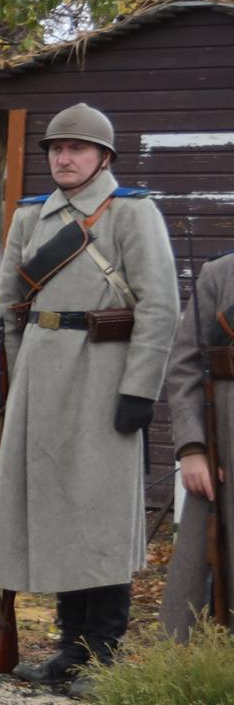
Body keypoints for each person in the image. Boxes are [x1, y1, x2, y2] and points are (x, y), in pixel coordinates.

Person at [0, 103, 178, 684]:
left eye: (77, 149)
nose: (64, 158)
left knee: (98, 514)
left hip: (103, 376)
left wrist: (139, 389)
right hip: (42, 380)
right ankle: (69, 646)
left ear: (103, 157)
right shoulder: (30, 217)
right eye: (56, 149)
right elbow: (9, 309)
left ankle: (102, 651)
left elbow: (160, 305)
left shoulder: (131, 213)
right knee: (54, 511)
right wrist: (19, 385)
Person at [160, 247, 234, 638]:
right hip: (226, 448)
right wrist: (192, 449)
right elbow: (185, 366)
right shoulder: (219, 273)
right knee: (197, 592)